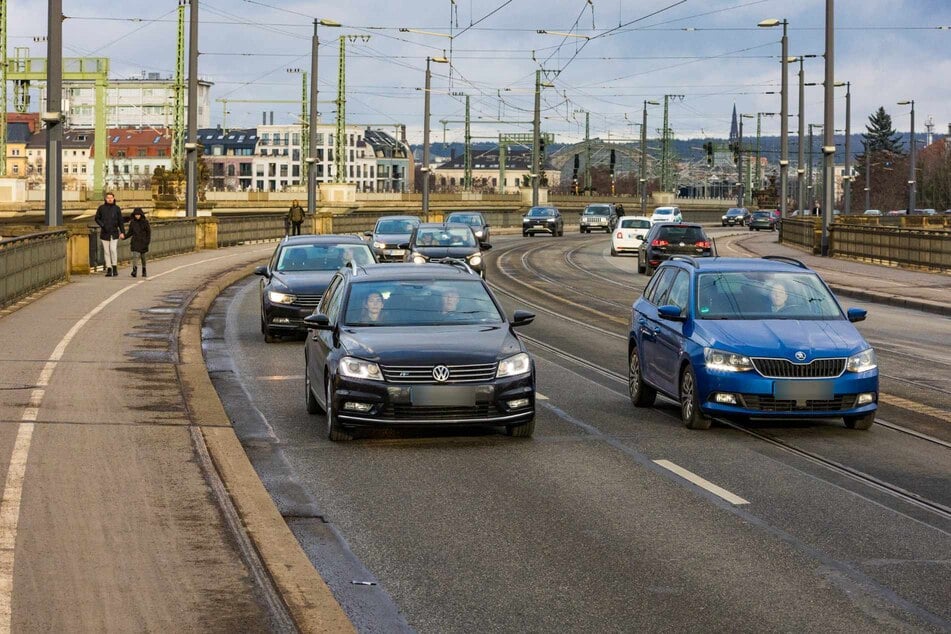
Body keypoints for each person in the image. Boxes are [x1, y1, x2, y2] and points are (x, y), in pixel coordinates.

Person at [95, 192, 125, 277]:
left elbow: (120, 221)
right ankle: (109, 268)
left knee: (113, 250)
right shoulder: (101, 208)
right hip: (105, 233)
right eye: (108, 198)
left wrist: (122, 232)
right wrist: (102, 225)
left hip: (114, 232)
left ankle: (114, 267)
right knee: (106, 251)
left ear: (114, 198)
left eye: (111, 198)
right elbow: (97, 218)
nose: (110, 199)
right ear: (105, 199)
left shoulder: (117, 208)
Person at [124, 207, 152, 278]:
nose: (137, 216)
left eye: (138, 215)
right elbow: (130, 232)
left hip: (143, 241)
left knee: (143, 257)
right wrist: (124, 237)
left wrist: (147, 242)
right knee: (135, 256)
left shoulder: (145, 222)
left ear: (141, 215)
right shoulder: (133, 222)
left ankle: (144, 269)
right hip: (135, 241)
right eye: (136, 215)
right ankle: (134, 270)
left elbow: (148, 233)